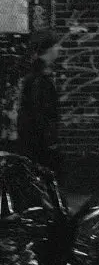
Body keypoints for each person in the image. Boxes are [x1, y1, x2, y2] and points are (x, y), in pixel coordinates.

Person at [15, 29, 64, 183]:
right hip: (39, 142)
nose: (59, 48)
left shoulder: (37, 74)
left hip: (34, 140)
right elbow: (40, 112)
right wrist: (49, 139)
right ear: (48, 49)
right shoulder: (40, 78)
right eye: (56, 45)